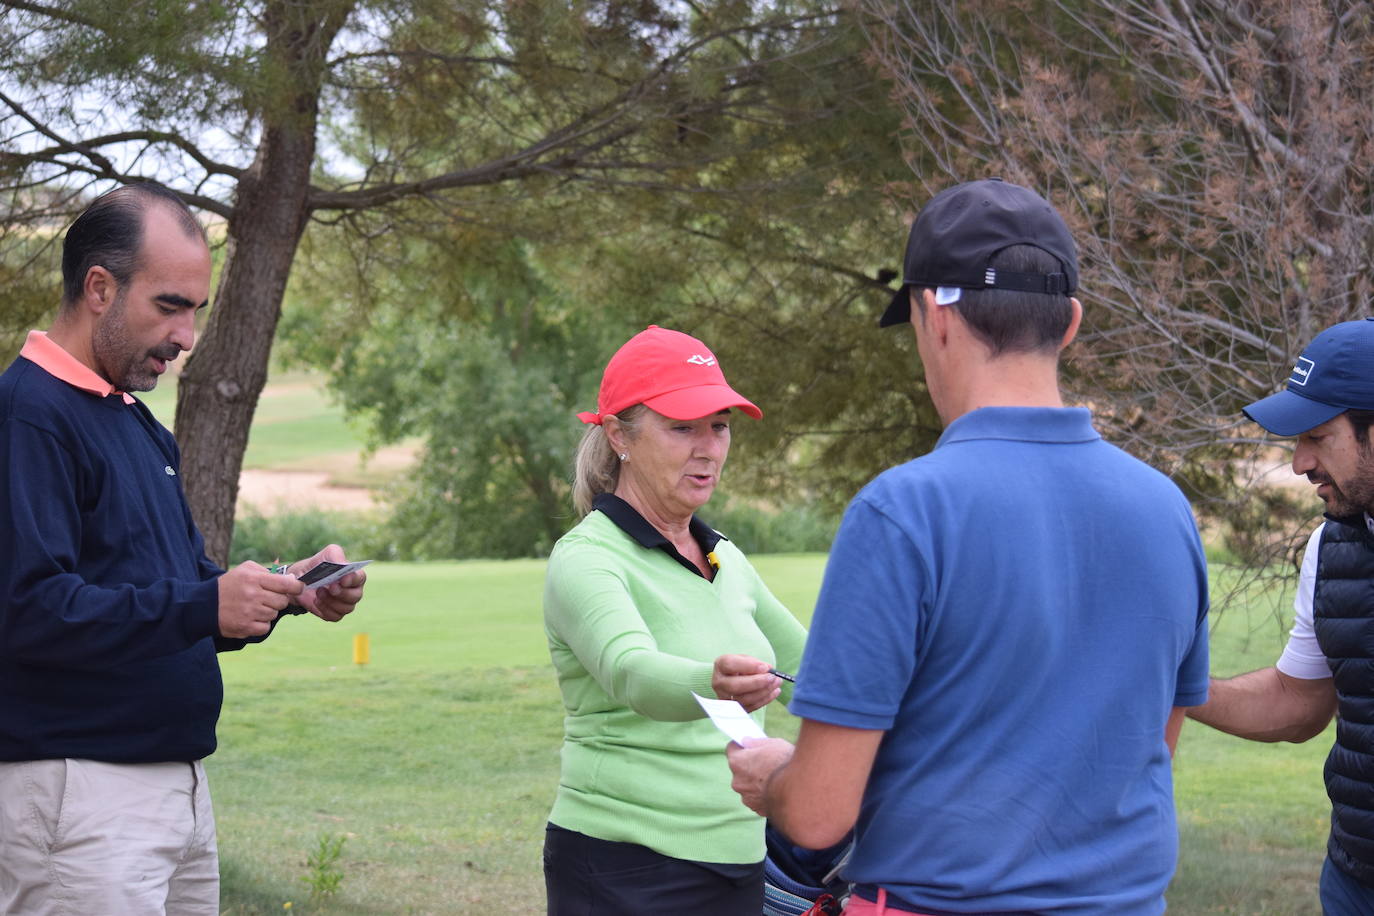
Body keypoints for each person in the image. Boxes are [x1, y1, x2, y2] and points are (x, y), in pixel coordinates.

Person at [726, 178, 1210, 915]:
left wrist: (772, 778)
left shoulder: (904, 512)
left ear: (934, 316)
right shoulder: (1166, 510)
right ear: (1070, 322)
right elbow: (1145, 753)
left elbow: (821, 813)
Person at [0, 182, 368, 915]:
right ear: (99, 288)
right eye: (170, 306)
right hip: (80, 794)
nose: (187, 335)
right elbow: (30, 610)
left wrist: (287, 590)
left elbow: (177, 595)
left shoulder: (135, 422)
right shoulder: (28, 416)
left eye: (196, 310)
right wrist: (204, 601)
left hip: (173, 788)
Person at [541, 325, 808, 915]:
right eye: (682, 427)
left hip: (741, 859)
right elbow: (631, 671)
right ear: (619, 436)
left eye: (719, 426)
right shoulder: (586, 558)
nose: (708, 447)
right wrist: (713, 683)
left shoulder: (725, 557)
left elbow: (817, 674)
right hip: (622, 863)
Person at [1186, 317, 1374, 914]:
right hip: (1355, 880)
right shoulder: (1331, 547)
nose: (1299, 464)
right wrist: (1170, 685)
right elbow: (1297, 704)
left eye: (1317, 437)